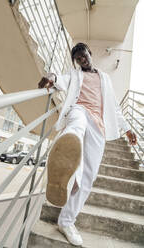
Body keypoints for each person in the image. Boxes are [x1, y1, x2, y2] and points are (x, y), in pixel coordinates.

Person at [38, 43, 137, 246]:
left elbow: (115, 108)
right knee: (77, 123)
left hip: (99, 127)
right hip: (80, 110)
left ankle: (66, 222)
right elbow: (61, 79)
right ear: (76, 62)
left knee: (88, 178)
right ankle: (69, 141)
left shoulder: (105, 79)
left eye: (84, 56)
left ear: (90, 54)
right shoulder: (75, 75)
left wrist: (127, 129)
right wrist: (51, 76)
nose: (82, 60)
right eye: (78, 59)